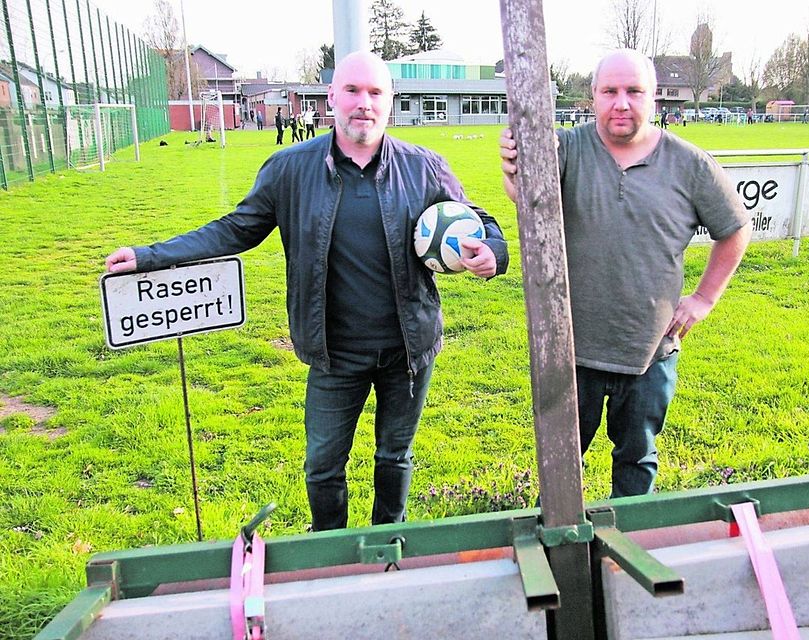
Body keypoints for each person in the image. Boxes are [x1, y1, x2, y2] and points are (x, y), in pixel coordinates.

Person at [105, 51, 509, 531]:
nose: (364, 103)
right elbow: (235, 229)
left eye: (376, 93)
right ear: (332, 96)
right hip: (333, 354)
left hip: (408, 349)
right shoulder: (289, 169)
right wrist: (151, 256)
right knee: (322, 467)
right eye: (353, 91)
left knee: (395, 457)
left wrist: (493, 251)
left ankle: (388, 545)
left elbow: (477, 220)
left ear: (390, 101)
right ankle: (329, 548)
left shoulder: (424, 167)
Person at [499, 49, 750, 498]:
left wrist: (704, 299)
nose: (621, 102)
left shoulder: (690, 165)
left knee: (637, 462)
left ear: (654, 99)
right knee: (560, 468)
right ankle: (559, 556)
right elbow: (527, 198)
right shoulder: (567, 149)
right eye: (609, 91)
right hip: (570, 352)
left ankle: (626, 557)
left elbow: (734, 230)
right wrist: (514, 167)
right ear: (592, 96)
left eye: (634, 91)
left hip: (649, 352)